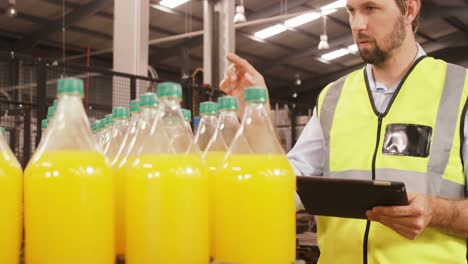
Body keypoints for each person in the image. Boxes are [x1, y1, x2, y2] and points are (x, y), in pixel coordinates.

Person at [220, 0, 468, 263]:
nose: (357, 24)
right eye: (351, 11)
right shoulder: (332, 97)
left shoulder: (460, 91)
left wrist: (435, 211)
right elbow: (283, 188)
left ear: (409, 9)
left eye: (370, 8)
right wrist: (256, 118)